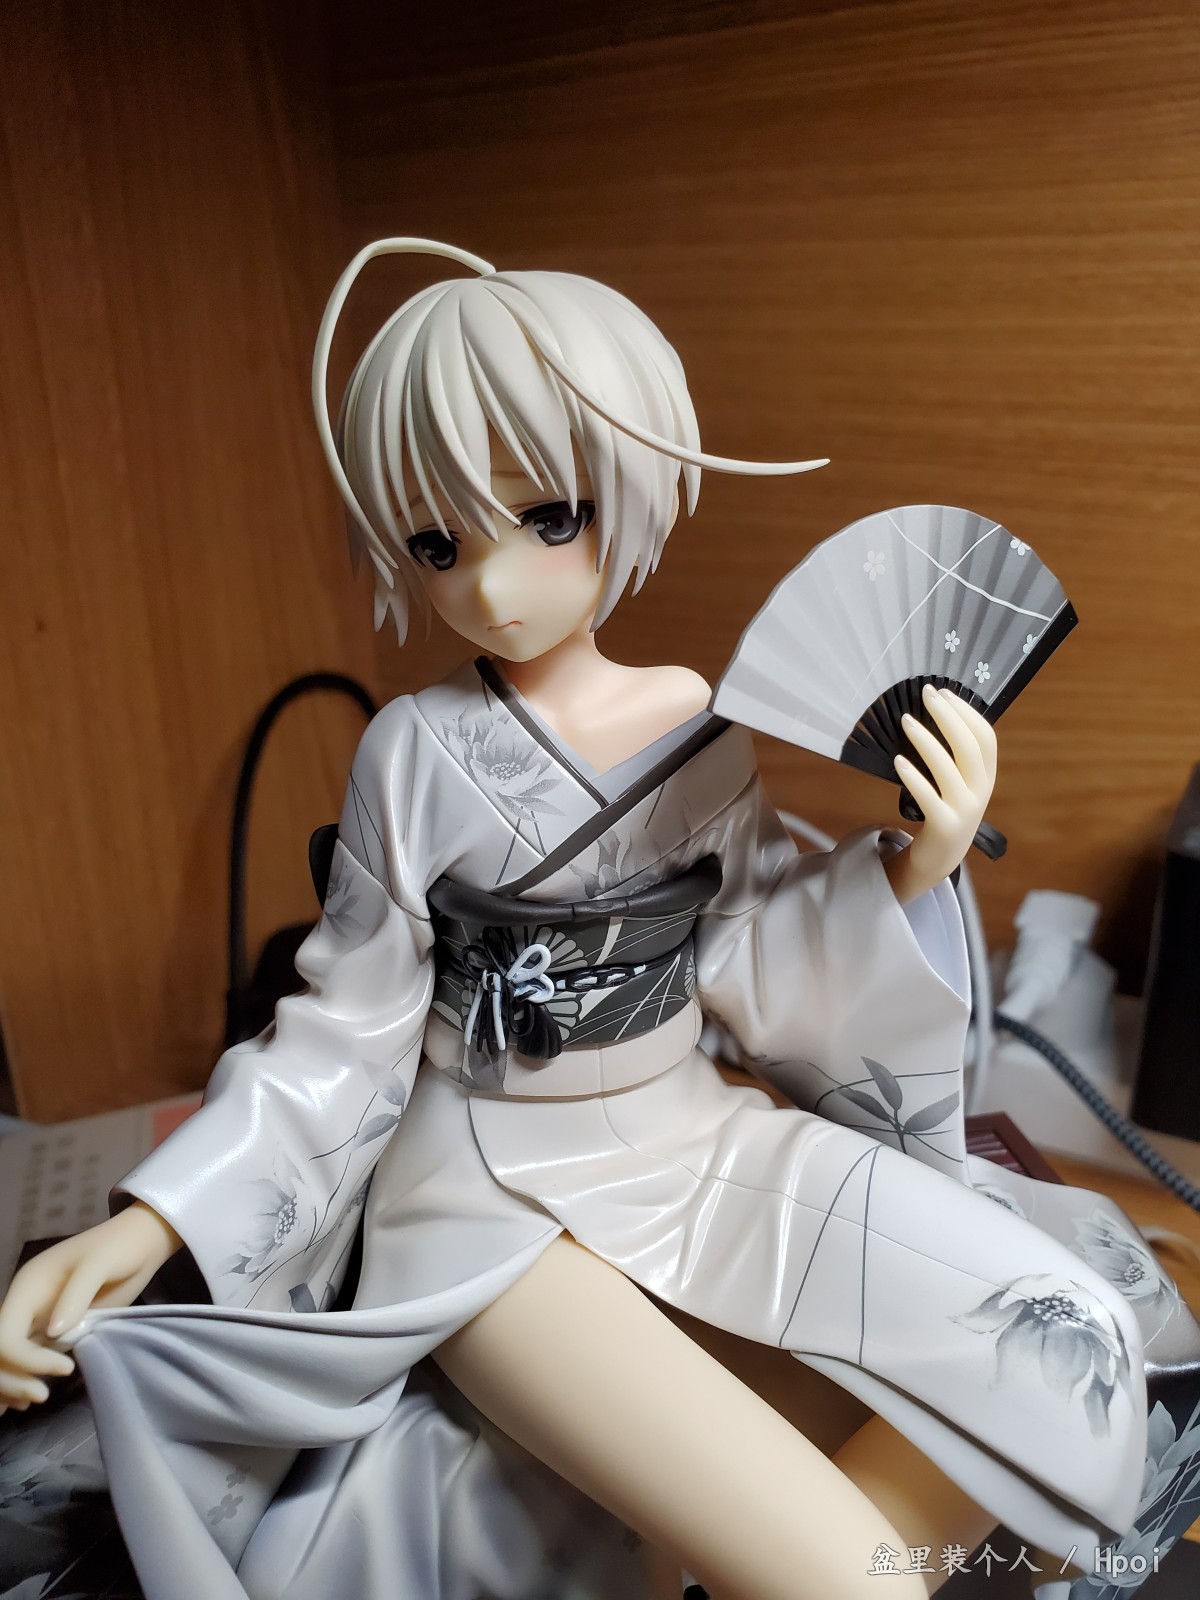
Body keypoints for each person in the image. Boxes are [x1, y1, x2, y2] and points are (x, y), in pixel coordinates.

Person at [1, 240, 1194, 1600]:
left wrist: (914, 862)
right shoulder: (412, 750)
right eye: (439, 544)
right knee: (847, 1574)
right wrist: (158, 1219)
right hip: (489, 1189)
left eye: (549, 517)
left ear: (628, 485)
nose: (493, 586)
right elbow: (346, 1028)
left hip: (689, 1132)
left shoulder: (700, 729)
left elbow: (749, 952)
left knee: (1072, 1341)